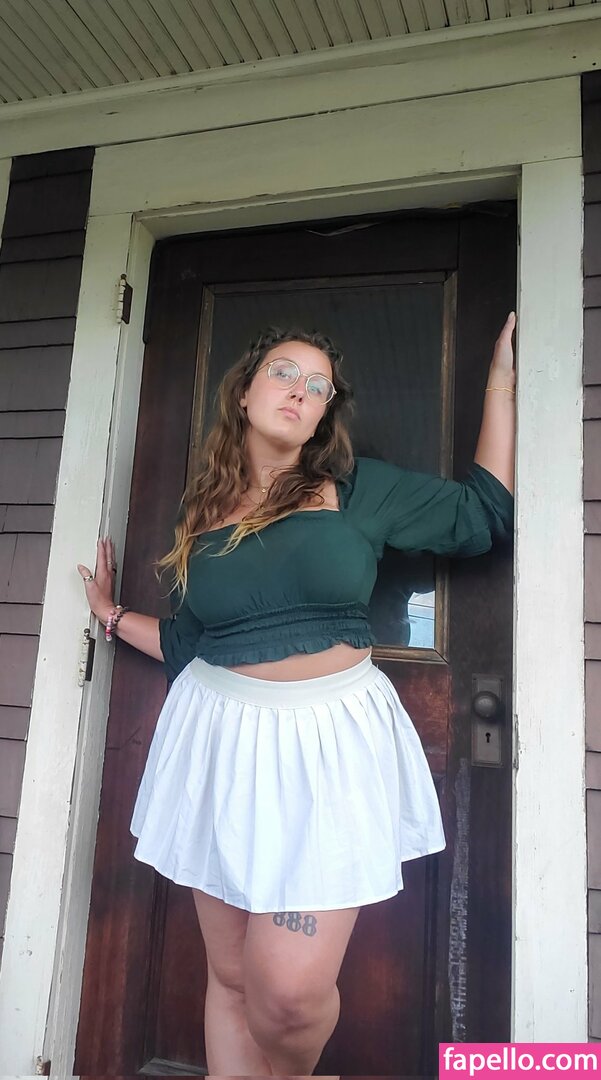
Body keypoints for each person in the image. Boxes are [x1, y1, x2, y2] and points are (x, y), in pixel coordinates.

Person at [77, 314, 516, 1077]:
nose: (300, 390)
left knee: (287, 995)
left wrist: (501, 382)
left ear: (322, 415)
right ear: (244, 393)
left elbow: (481, 516)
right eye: (284, 372)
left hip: (328, 749)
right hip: (218, 740)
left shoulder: (358, 490)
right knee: (232, 977)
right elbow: (190, 642)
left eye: (318, 386)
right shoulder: (203, 511)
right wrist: (110, 614)